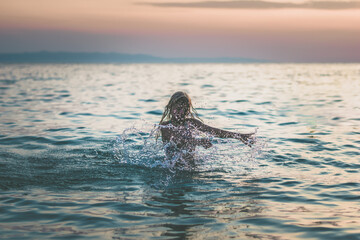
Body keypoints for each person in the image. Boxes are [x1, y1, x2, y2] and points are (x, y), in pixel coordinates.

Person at [158, 91, 255, 164]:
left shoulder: (190, 123)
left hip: (191, 166)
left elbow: (214, 131)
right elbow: (178, 141)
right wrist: (198, 141)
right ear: (170, 107)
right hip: (172, 167)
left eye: (185, 110)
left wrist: (238, 136)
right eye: (178, 109)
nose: (181, 113)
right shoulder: (165, 126)